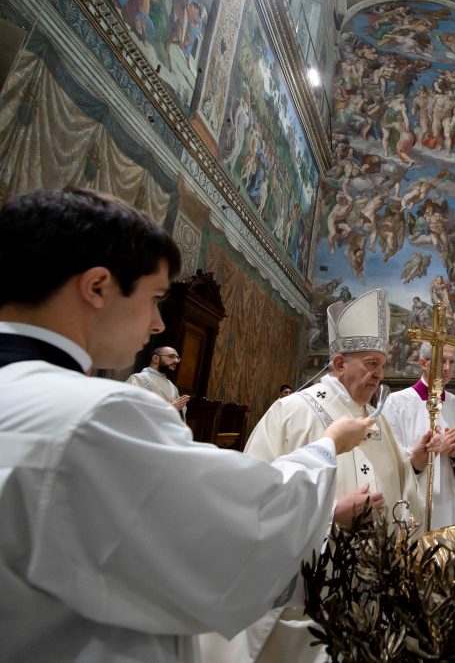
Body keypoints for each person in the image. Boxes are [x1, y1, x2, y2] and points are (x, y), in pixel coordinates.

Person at [0, 188, 372, 662]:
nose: (158, 324)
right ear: (96, 287)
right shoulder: (94, 417)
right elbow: (241, 531)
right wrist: (324, 449)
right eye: (155, 299)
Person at [208, 288, 433, 663]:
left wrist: (416, 463)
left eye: (382, 363)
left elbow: (399, 487)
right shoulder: (291, 413)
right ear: (340, 363)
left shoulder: (377, 421)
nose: (379, 374)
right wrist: (331, 516)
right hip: (314, 585)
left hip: (375, 583)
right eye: (370, 363)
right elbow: (252, 504)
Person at [382, 342, 455, 529]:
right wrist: (430, 451)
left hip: (450, 502)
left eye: (452, 362)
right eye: (441, 361)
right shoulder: (397, 402)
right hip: (413, 498)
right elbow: (388, 455)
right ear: (423, 363)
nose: (447, 368)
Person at [127, 345, 190, 418]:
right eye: (171, 356)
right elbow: (129, 409)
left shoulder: (172, 386)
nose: (176, 361)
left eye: (177, 358)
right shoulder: (137, 379)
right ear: (156, 358)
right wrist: (168, 409)